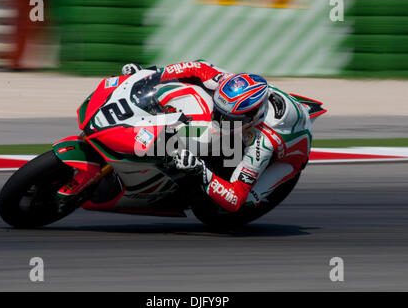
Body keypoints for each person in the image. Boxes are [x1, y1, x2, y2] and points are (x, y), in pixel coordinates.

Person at [121, 61, 313, 212]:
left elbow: (236, 197)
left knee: (247, 201)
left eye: (225, 116)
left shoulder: (263, 142)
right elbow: (196, 67)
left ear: (251, 117)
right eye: (218, 111)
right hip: (253, 121)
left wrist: (200, 169)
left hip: (290, 156)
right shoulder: (228, 81)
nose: (217, 117)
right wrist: (150, 76)